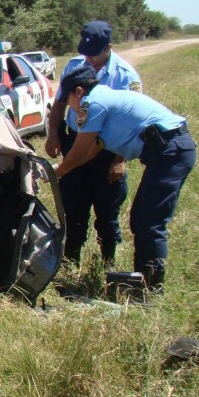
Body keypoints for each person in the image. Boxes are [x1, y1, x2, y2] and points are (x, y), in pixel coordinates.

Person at [53, 66, 196, 292]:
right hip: (168, 151)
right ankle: (142, 280)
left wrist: (58, 172)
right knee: (140, 218)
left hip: (169, 152)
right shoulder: (104, 99)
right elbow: (92, 150)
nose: (70, 106)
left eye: (68, 100)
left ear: (78, 91)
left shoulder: (93, 104)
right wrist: (60, 169)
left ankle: (150, 290)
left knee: (149, 222)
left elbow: (79, 152)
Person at [45, 21, 142, 266]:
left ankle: (108, 261)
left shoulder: (125, 76)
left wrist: (119, 160)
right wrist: (53, 134)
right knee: (73, 205)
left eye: (94, 53)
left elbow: (131, 123)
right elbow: (59, 104)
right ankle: (70, 260)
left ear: (109, 47)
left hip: (108, 149)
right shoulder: (74, 66)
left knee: (107, 209)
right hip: (75, 141)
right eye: (85, 52)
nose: (89, 58)